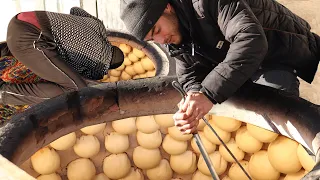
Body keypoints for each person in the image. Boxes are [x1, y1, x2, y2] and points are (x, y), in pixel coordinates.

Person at [120, 0, 320, 134]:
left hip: (276, 51)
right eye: (152, 39)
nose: (162, 40)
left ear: (167, 7)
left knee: (277, 117)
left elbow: (251, 41)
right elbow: (189, 74)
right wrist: (193, 99)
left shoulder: (208, 2)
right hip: (237, 59)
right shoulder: (172, 35)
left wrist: (207, 94)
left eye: (157, 30)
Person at [0, 7, 124, 106]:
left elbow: (75, 9)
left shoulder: (99, 26)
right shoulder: (98, 63)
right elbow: (77, 77)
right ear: (107, 66)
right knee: (77, 90)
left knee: (57, 47)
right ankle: (3, 93)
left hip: (21, 21)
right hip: (29, 39)